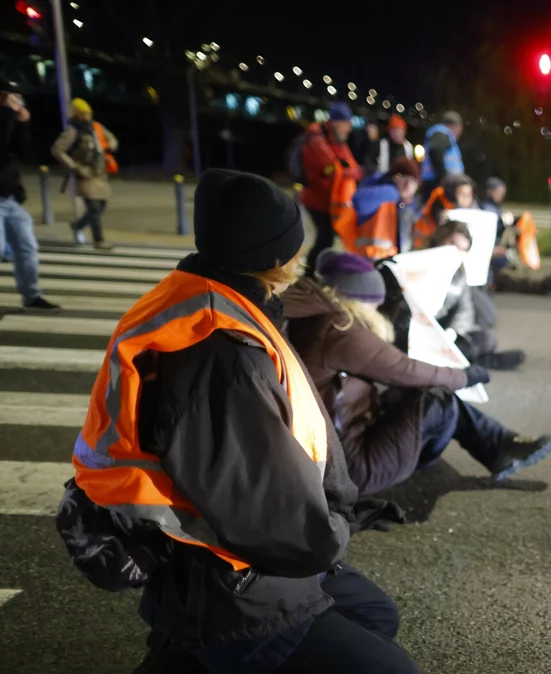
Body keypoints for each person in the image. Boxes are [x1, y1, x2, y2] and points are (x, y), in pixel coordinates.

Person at [56, 169, 418, 673]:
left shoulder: (210, 298)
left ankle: (183, 653)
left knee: (374, 612)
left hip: (221, 560)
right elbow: (265, 511)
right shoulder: (221, 351)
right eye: (296, 245)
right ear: (273, 258)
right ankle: (197, 649)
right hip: (230, 584)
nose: (302, 257)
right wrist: (332, 530)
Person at [282, 251, 551, 494]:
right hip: (348, 466)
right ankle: (483, 448)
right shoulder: (338, 328)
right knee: (438, 399)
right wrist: (465, 376)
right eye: (373, 303)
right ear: (357, 298)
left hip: (329, 453)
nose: (378, 309)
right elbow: (406, 369)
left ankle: (500, 444)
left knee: (422, 393)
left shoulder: (313, 316)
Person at [427, 220, 527, 370]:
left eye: (463, 249)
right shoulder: (420, 266)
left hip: (445, 333)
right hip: (423, 330)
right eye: (452, 244)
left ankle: (460, 359)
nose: (457, 252)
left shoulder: (458, 275)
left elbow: (465, 310)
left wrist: (454, 331)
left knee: (487, 338)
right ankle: (481, 361)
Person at [0, 88, 57, 310]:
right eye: (8, 96)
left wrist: (22, 125)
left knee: (27, 247)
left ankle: (32, 296)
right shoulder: (4, 120)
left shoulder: (9, 121)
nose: (15, 101)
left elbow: (24, 154)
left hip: (11, 197)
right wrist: (6, 114)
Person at [300, 102, 363, 274]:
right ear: (335, 122)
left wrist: (347, 170)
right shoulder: (316, 139)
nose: (349, 128)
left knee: (328, 238)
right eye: (346, 123)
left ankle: (316, 271)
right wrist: (347, 170)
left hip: (330, 200)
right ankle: (309, 275)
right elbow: (333, 170)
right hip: (315, 200)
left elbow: (353, 168)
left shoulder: (336, 139)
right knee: (325, 238)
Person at [477, 176, 551, 295]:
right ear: (490, 191)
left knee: (515, 271)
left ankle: (542, 281)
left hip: (495, 253)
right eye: (499, 193)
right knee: (512, 278)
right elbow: (488, 231)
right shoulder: (486, 208)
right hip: (490, 257)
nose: (501, 196)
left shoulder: (490, 206)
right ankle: (541, 285)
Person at [50, 97, 117, 249]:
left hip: (100, 173)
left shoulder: (96, 127)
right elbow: (57, 150)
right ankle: (99, 240)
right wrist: (74, 167)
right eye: (83, 113)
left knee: (101, 205)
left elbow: (111, 138)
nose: (87, 116)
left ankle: (77, 225)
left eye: (88, 113)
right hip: (84, 173)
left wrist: (110, 145)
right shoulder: (72, 131)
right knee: (93, 208)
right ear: (77, 114)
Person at [420, 110, 464, 194]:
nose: (459, 132)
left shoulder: (441, 135)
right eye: (458, 128)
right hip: (437, 183)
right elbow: (435, 152)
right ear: (452, 126)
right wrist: (443, 176)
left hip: (437, 182)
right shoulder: (441, 133)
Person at [366, 114, 414, 179]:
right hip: (382, 181)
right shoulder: (380, 144)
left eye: (399, 130)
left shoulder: (408, 147)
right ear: (390, 131)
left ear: (404, 131)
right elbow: (369, 163)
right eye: (394, 130)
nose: (397, 133)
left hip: (401, 182)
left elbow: (411, 168)